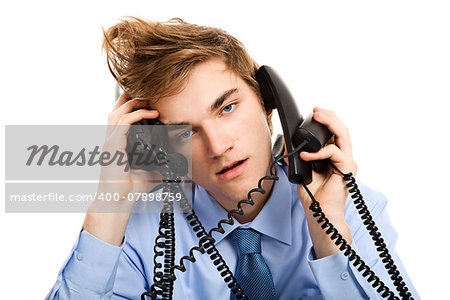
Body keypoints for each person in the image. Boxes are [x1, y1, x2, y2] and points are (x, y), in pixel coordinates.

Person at [45, 17, 419, 299]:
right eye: (186, 131)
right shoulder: (140, 233)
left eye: (226, 107)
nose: (219, 145)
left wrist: (329, 231)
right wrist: (110, 205)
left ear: (269, 105)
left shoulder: (352, 207)